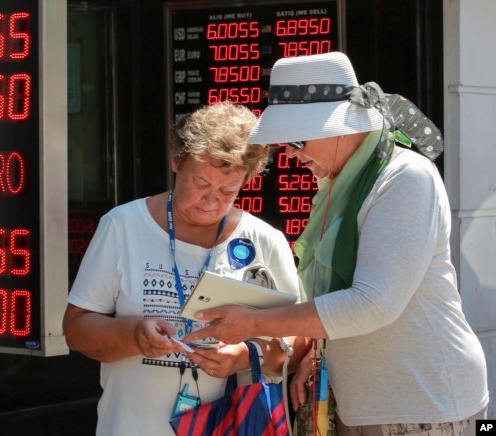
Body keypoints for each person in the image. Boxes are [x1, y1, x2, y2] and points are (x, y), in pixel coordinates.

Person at [184, 52, 489, 435]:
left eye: (296, 139)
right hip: (368, 405)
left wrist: (254, 322)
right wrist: (317, 353)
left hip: (423, 405)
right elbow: (339, 302)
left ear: (338, 128)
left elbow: (371, 303)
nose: (290, 154)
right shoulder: (341, 183)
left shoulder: (406, 176)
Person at [63, 101, 305, 436]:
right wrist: (134, 336)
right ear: (176, 161)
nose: (211, 200)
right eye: (201, 183)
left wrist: (245, 355)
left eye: (227, 190)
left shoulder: (264, 240)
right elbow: (77, 329)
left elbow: (302, 339)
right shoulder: (123, 225)